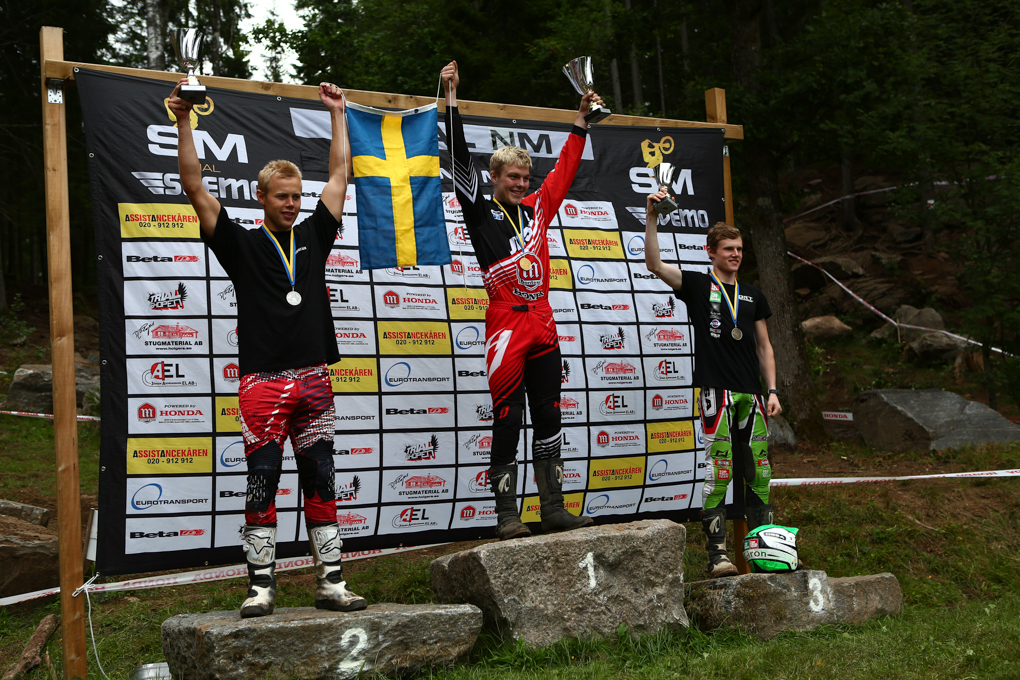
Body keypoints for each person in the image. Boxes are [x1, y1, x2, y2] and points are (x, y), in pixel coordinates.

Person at [168, 79, 367, 616]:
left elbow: (340, 175)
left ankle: (331, 583)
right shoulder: (240, 243)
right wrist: (184, 121)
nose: (292, 204)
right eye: (283, 196)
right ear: (262, 197)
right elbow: (193, 187)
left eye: (297, 196)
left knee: (322, 479)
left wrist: (338, 113)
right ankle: (261, 586)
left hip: (315, 379)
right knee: (262, 481)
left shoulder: (315, 235)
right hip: (262, 382)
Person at [441, 60, 601, 540]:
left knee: (550, 412)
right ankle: (507, 514)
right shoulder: (478, 208)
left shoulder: (538, 209)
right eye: (512, 176)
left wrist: (580, 121)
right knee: (508, 416)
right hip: (506, 323)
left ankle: (553, 507)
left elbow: (564, 171)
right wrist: (450, 96)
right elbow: (458, 157)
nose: (520, 184)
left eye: (525, 178)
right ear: (494, 176)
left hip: (543, 321)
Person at [643, 190, 782, 578]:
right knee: (720, 470)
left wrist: (772, 390)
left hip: (752, 394)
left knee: (759, 473)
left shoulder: (753, 295)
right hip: (715, 391)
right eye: (728, 249)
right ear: (711, 252)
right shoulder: (697, 285)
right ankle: (717, 555)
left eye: (739, 249)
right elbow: (653, 263)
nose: (735, 255)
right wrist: (652, 218)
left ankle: (765, 554)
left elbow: (765, 346)